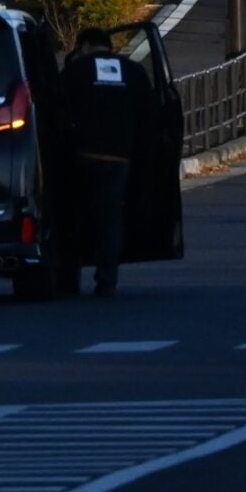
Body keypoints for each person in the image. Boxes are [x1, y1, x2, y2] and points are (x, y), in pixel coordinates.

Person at [62, 27, 141, 297]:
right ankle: (107, 278)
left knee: (71, 216)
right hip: (118, 158)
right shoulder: (134, 71)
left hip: (79, 156)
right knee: (109, 219)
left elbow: (56, 108)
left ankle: (68, 276)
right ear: (109, 47)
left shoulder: (75, 71)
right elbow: (152, 113)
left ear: (83, 45)